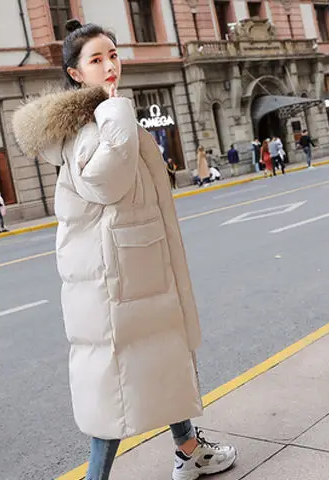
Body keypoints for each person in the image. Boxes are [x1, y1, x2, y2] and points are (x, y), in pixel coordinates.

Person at [12, 19, 237, 480]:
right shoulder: (97, 120)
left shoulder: (93, 117)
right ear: (76, 74)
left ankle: (188, 448)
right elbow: (107, 181)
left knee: (159, 360)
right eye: (96, 60)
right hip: (116, 279)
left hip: (132, 270)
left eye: (113, 55)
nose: (110, 66)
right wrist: (116, 112)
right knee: (115, 394)